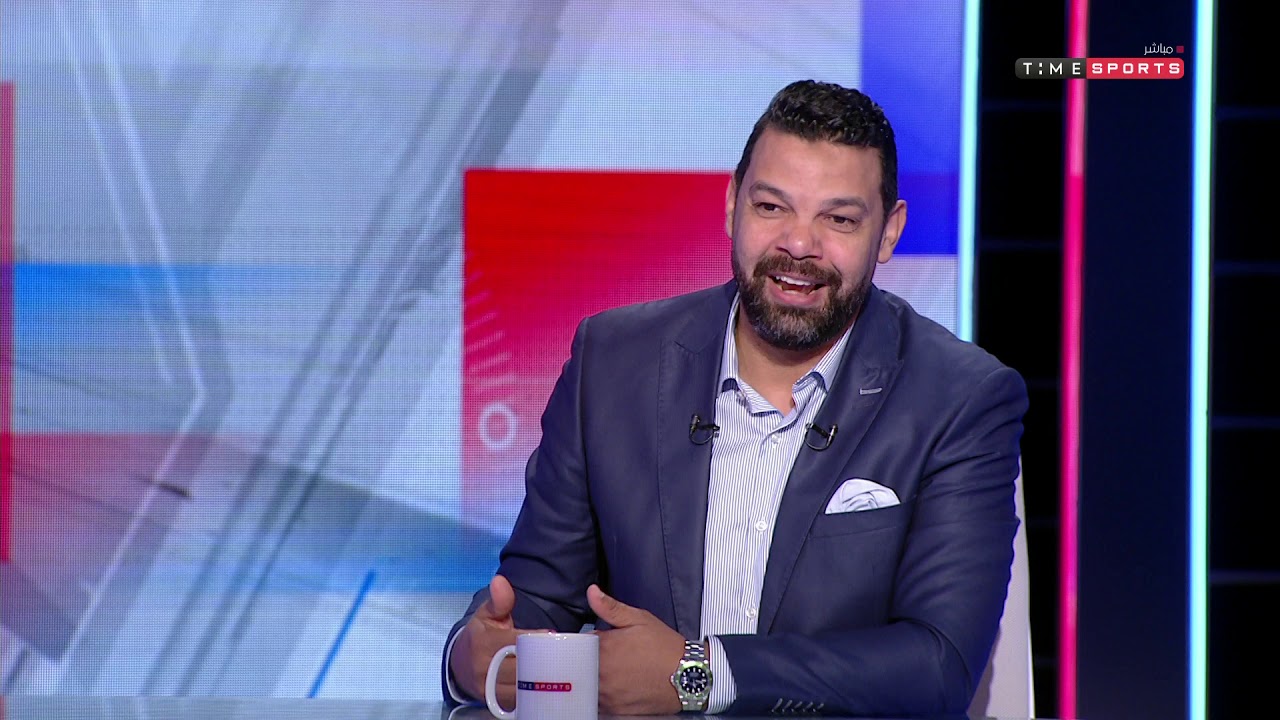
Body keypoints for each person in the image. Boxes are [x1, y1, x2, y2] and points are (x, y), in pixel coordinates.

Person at [443, 79, 1027, 717]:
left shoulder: (959, 399)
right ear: (731, 205)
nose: (798, 245)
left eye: (838, 219)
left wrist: (697, 674)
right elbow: (532, 602)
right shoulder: (611, 364)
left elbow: (936, 667)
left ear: (888, 233)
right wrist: (471, 657)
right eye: (772, 207)